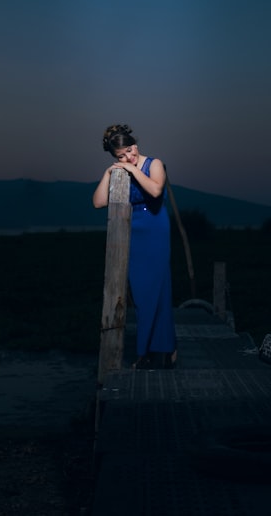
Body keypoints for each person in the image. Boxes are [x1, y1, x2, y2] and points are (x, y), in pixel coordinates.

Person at [92, 124, 177, 369]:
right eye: (121, 156)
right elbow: (98, 202)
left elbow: (155, 189)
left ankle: (159, 350)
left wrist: (131, 167)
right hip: (133, 232)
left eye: (129, 151)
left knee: (159, 290)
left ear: (135, 146)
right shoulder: (118, 170)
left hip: (156, 229)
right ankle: (148, 350)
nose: (127, 157)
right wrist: (109, 173)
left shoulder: (154, 164)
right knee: (140, 293)